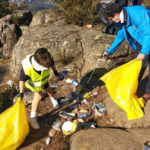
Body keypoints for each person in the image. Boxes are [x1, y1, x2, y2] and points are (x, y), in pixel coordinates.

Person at [101, 3, 150, 102]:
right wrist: (108, 52)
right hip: (143, 41)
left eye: (111, 18)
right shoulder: (121, 20)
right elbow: (120, 36)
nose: (110, 21)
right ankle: (132, 88)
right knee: (138, 66)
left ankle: (148, 92)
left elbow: (148, 32)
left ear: (116, 14)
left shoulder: (138, 14)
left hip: (147, 38)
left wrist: (144, 52)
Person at [19, 48, 61, 129]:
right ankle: (32, 117)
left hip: (43, 79)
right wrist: (21, 92)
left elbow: (52, 63)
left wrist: (55, 71)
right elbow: (22, 79)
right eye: (44, 66)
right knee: (39, 96)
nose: (46, 67)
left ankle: (53, 99)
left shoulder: (48, 56)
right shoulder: (27, 67)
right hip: (34, 84)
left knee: (47, 88)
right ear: (37, 62)